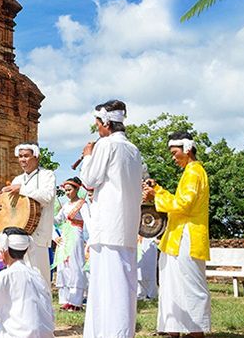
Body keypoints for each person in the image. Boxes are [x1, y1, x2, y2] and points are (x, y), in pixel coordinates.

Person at [79, 100, 144, 338]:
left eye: (97, 123)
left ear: (106, 123)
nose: (97, 128)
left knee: (107, 287)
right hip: (125, 226)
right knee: (123, 286)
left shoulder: (105, 146)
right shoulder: (134, 150)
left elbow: (89, 179)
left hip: (108, 226)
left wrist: (88, 156)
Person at [144, 131, 211, 337]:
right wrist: (159, 190)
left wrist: (156, 194)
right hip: (177, 238)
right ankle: (174, 330)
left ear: (187, 149)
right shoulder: (190, 172)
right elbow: (179, 202)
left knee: (190, 288)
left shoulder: (194, 172)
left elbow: (184, 205)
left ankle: (195, 331)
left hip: (187, 238)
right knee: (172, 286)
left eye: (175, 153)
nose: (173, 158)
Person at [0, 143, 56, 286]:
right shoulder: (17, 179)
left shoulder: (47, 175)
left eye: (26, 156)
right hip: (17, 238)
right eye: (20, 157)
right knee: (17, 279)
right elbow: (9, 205)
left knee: (39, 279)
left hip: (38, 236)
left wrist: (22, 189)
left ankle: (42, 308)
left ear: (36, 157)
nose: (22, 160)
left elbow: (47, 196)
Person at [53, 177, 88, 311]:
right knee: (63, 265)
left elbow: (88, 222)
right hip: (65, 235)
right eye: (65, 190)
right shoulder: (66, 205)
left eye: (69, 190)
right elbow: (57, 220)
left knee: (75, 265)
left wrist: (90, 240)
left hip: (76, 233)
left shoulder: (82, 204)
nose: (67, 193)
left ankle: (76, 301)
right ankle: (66, 299)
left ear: (77, 189)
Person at [137, 235, 158, 300]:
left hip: (150, 242)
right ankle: (140, 293)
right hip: (139, 245)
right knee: (139, 272)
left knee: (150, 271)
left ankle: (151, 294)